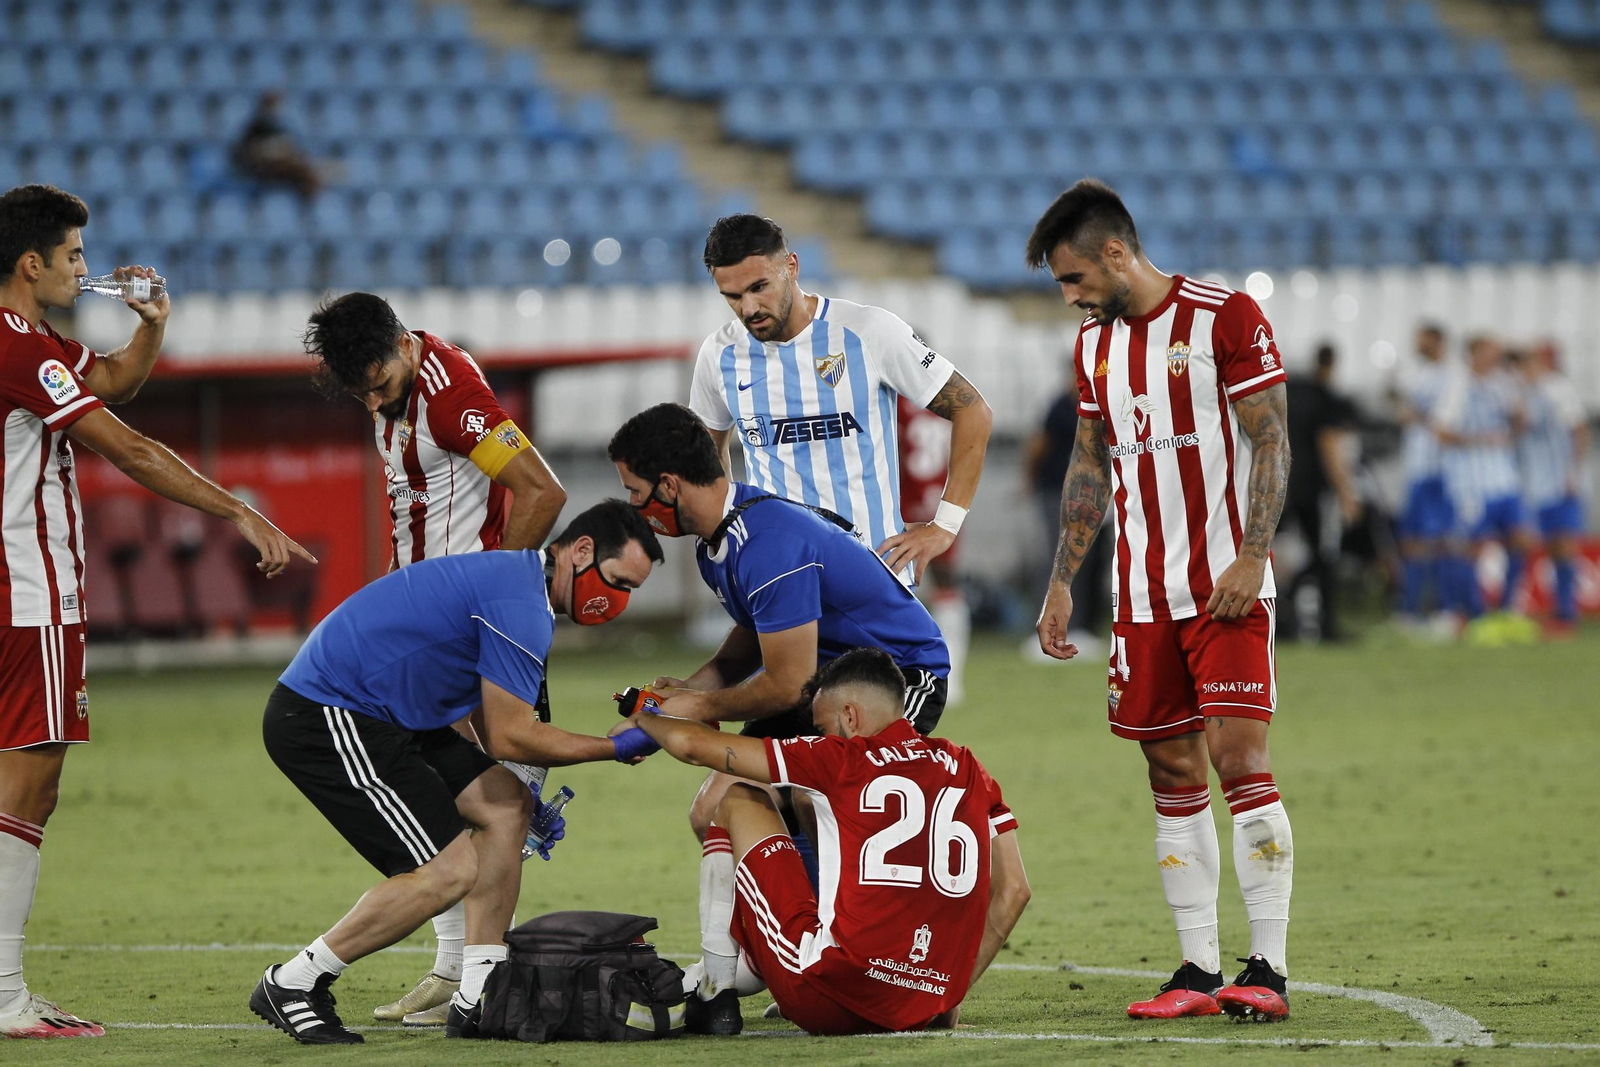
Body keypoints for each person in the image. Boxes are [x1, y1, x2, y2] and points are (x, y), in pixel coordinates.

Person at [0, 184, 314, 1040]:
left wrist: (152, 325)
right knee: (32, 784)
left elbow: (112, 383)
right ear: (31, 263)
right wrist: (237, 509)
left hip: (12, 588)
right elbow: (127, 445)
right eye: (72, 255)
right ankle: (3, 995)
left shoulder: (33, 345)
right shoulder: (19, 348)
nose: (82, 267)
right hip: (27, 592)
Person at [1027, 179, 1295, 1022]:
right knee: (1170, 771)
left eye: (1074, 279)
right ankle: (1197, 969)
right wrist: (1063, 579)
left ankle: (1271, 968)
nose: (1070, 297)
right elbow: (1089, 460)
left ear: (1115, 253)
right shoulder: (1093, 346)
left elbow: (1271, 436)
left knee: (1239, 759)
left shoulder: (1224, 317)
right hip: (1140, 596)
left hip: (1225, 588)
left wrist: (1252, 557)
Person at [250, 501, 663, 1045]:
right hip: (327, 712)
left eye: (630, 590)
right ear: (580, 551)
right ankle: (294, 981)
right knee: (449, 872)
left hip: (388, 713)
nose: (618, 602)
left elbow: (478, 715)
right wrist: (614, 746)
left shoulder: (518, 585)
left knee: (507, 805)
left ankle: (479, 995)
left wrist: (490, 780)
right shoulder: (522, 604)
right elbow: (510, 735)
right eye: (617, 581)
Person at [304, 292, 568, 1024]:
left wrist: (491, 598)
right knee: (447, 805)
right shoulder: (396, 387)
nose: (372, 397)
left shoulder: (452, 397)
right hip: (427, 636)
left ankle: (479, 979)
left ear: (400, 341)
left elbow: (541, 491)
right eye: (358, 388)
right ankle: (455, 970)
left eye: (379, 380)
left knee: (499, 805)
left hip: (470, 639)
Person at [619, 647, 1029, 1036]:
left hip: (829, 998)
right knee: (806, 800)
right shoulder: (967, 766)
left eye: (822, 727)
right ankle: (751, 966)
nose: (820, 736)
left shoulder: (838, 759)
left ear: (850, 716)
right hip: (919, 1001)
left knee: (740, 798)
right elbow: (1013, 891)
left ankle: (715, 989)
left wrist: (646, 716)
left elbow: (693, 746)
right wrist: (945, 996)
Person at [606, 403, 951, 844]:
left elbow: (788, 684)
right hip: (819, 682)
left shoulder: (767, 544)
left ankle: (840, 912)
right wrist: (684, 693)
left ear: (669, 485)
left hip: (896, 677)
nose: (635, 506)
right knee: (715, 815)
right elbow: (756, 638)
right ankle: (789, 913)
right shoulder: (722, 540)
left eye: (636, 492)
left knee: (823, 806)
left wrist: (698, 708)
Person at [687, 214, 992, 585]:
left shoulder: (868, 332)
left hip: (875, 573)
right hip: (778, 576)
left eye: (759, 287)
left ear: (791, 267)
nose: (749, 308)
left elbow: (972, 409)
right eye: (732, 297)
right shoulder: (719, 354)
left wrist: (944, 526)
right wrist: (724, 534)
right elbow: (706, 457)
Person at [1435, 335, 1533, 637]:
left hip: (1504, 478)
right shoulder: (1458, 386)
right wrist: (1479, 440)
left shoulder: (1502, 384)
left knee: (1522, 540)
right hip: (1471, 484)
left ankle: (1506, 609)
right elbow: (1442, 432)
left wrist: (1516, 422)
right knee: (1469, 548)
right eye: (1490, 350)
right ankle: (1470, 613)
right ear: (1475, 353)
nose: (1496, 356)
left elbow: (1520, 421)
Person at [1022, 380, 1112, 656]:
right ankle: (1045, 627)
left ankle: (1082, 627)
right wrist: (1030, 482)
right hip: (1057, 494)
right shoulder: (1061, 405)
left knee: (1091, 562)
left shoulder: (1104, 399)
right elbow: (1038, 444)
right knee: (1057, 558)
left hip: (1095, 496)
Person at [1281, 343, 1361, 642]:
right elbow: (1329, 445)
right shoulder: (1325, 397)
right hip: (1314, 488)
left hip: (1285, 483)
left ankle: (1284, 615)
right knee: (1324, 556)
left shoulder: (1290, 392)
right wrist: (1346, 492)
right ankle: (1327, 626)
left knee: (1286, 553)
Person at [896, 393, 968, 704]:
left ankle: (904, 679)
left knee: (894, 587)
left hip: (907, 501)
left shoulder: (896, 398)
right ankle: (954, 679)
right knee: (946, 585)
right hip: (945, 501)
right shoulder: (948, 393)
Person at [1511, 343, 1588, 634]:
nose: (1523, 369)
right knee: (1538, 545)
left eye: (1527, 363)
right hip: (1535, 484)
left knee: (1563, 545)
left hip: (1560, 482)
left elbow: (1579, 429)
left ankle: (1566, 614)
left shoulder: (1557, 388)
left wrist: (1574, 472)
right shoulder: (1523, 393)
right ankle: (1537, 610)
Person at [1394, 324, 1458, 633]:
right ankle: (1411, 612)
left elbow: (1445, 422)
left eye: (1423, 339)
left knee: (1439, 541)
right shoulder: (1419, 374)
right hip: (1417, 468)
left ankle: (1443, 611)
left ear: (1437, 340)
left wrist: (1415, 413)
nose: (1417, 344)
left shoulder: (1452, 376)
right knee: (1414, 543)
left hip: (1439, 469)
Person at [231, 91, 322, 198]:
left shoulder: (282, 127)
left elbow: (291, 147)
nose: (275, 111)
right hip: (262, 169)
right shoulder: (253, 128)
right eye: (272, 106)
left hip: (282, 166)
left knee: (308, 172)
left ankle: (307, 206)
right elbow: (244, 153)